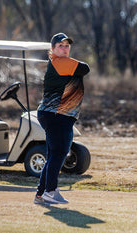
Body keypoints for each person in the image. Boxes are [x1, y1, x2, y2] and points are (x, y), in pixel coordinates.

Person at [34, 33, 90, 205]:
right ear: (53, 49)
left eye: (67, 46)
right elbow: (85, 68)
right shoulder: (61, 62)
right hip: (57, 115)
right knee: (58, 154)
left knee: (53, 155)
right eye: (60, 46)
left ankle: (41, 194)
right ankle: (51, 192)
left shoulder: (60, 62)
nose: (64, 48)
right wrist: (69, 60)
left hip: (54, 114)